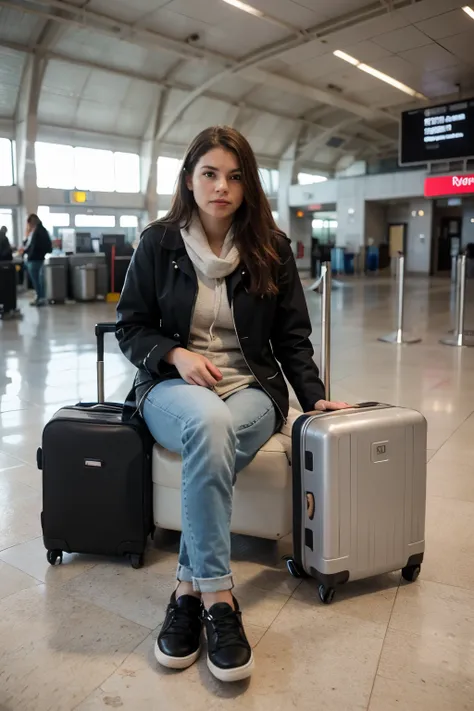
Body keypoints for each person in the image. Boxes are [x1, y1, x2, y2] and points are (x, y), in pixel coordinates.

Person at [116, 126, 350, 683]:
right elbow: (131, 328)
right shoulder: (158, 244)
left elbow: (293, 339)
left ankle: (188, 590)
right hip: (172, 389)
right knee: (208, 424)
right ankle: (221, 599)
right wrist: (174, 354)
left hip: (252, 390)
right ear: (190, 180)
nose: (222, 186)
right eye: (210, 174)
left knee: (218, 425)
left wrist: (314, 398)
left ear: (248, 185)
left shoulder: (271, 249)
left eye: (235, 176)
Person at [23, 214, 52, 306]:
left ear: (32, 222)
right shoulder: (39, 230)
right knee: (38, 280)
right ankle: (40, 297)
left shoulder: (39, 231)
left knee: (37, 280)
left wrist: (29, 253)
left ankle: (41, 298)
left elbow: (35, 246)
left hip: (35, 259)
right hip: (36, 258)